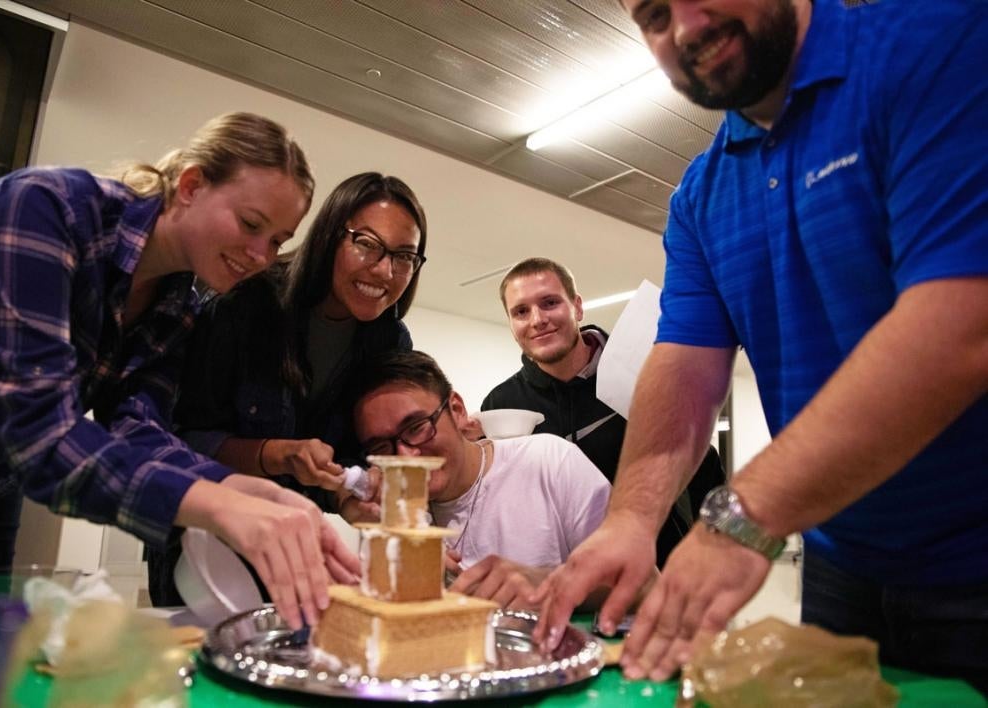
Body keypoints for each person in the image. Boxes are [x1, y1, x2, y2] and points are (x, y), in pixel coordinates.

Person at [534, 0, 988, 692]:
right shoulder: (700, 197)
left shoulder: (937, 39)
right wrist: (630, 519)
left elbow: (960, 325)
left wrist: (741, 517)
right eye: (653, 16)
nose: (685, 28)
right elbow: (684, 370)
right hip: (845, 567)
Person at [0, 112, 359, 629]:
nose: (261, 255)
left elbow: (138, 430)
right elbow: (42, 437)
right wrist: (219, 509)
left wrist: (243, 490)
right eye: (251, 225)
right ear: (193, 185)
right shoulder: (43, 209)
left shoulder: (177, 304)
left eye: (277, 241)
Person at [147, 172, 428, 604]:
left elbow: (352, 460)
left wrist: (354, 496)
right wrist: (278, 454)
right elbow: (183, 441)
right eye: (367, 244)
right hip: (205, 543)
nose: (386, 271)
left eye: (405, 256)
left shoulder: (389, 341)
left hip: (294, 543)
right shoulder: (243, 304)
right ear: (331, 236)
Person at [482, 257, 725, 564]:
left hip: (659, 578)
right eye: (521, 311)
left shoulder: (642, 371)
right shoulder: (500, 404)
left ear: (578, 307)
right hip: (557, 588)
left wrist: (721, 554)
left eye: (549, 302)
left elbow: (702, 468)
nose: (537, 319)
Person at [351, 350, 611, 610]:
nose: (407, 457)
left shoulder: (549, 461)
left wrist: (548, 583)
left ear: (457, 409)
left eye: (417, 427)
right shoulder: (388, 513)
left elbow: (643, 584)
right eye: (383, 447)